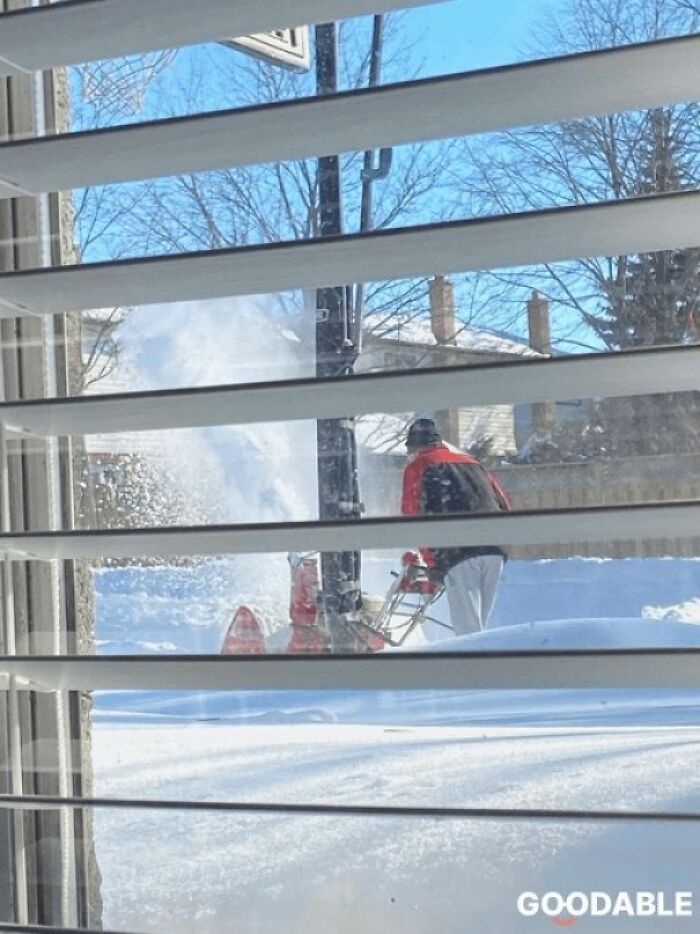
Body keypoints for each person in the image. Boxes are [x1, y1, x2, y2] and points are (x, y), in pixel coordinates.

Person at [401, 418, 510, 635]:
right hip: (495, 550)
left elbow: (412, 517)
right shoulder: (472, 463)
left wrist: (434, 563)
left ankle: (472, 668)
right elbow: (504, 504)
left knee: (468, 633)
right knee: (479, 629)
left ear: (414, 447)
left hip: (460, 551)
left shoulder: (418, 466)